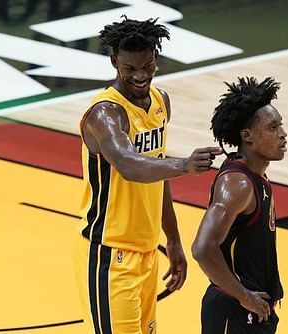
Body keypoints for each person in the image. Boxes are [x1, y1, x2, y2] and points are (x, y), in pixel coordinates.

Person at [73, 16, 222, 334]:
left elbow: (157, 174)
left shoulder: (161, 102)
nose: (141, 76)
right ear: (115, 62)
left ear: (156, 58)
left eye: (148, 66)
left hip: (146, 251)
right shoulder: (105, 115)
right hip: (109, 255)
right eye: (130, 69)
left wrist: (174, 239)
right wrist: (183, 165)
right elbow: (128, 164)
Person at [192, 77, 287, 334]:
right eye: (272, 127)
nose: (283, 134)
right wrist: (244, 296)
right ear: (247, 136)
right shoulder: (238, 185)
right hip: (234, 309)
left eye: (281, 125)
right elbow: (202, 248)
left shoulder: (256, 175)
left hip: (252, 311)